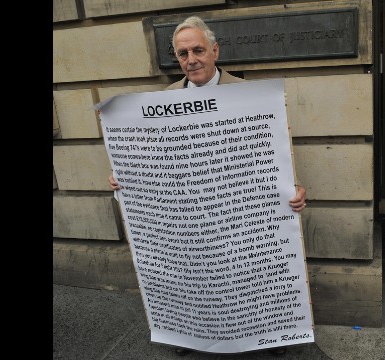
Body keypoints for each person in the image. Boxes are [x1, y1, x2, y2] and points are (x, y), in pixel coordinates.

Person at [107, 16, 304, 356]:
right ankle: (190, 334)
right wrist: (125, 177)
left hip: (239, 210)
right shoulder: (159, 101)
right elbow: (154, 159)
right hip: (188, 213)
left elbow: (273, 153)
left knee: (251, 272)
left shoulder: (250, 95)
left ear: (215, 50)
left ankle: (271, 333)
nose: (191, 59)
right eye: (183, 53)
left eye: (198, 50)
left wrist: (295, 188)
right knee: (192, 274)